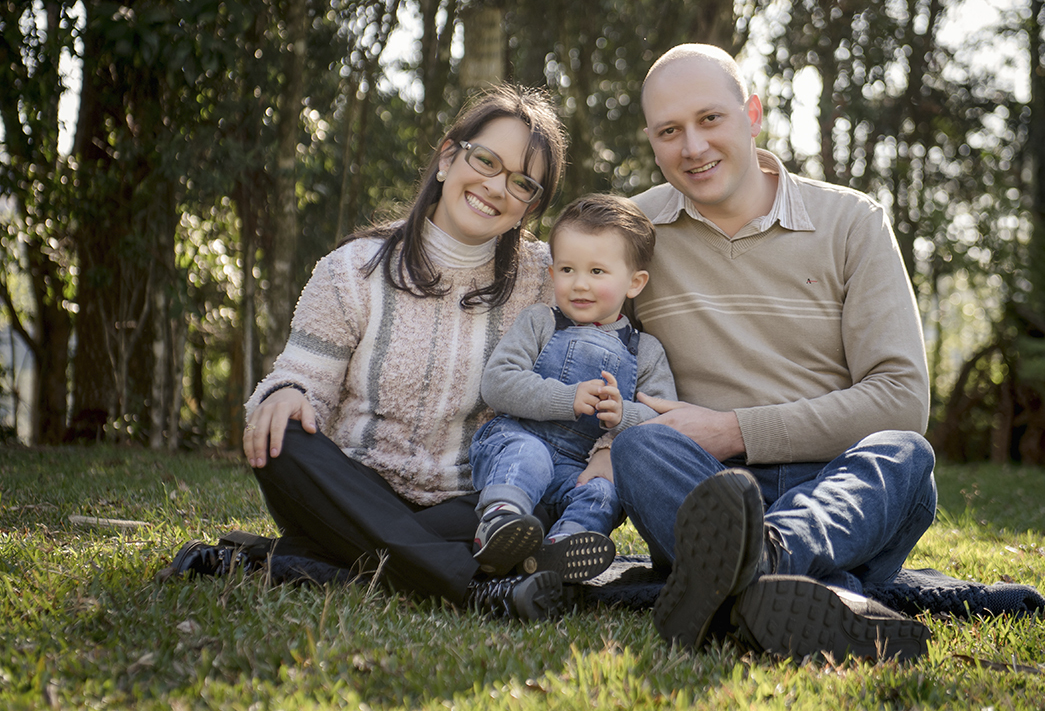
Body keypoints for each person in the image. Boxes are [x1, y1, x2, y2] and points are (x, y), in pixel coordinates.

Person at [163, 84, 573, 622]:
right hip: (352, 489)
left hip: (469, 504)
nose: (496, 186)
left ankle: (278, 562)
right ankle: (472, 585)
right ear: (448, 158)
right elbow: (301, 378)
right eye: (486, 161)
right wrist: (286, 393)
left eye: (521, 182)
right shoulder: (353, 269)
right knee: (283, 435)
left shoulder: (546, 281)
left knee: (535, 505)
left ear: (529, 207)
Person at [610, 44, 937, 661]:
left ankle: (760, 560)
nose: (693, 147)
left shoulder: (851, 221)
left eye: (711, 119)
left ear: (753, 113)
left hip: (837, 488)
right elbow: (570, 315)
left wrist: (734, 429)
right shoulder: (633, 232)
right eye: (669, 131)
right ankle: (811, 596)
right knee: (639, 448)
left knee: (904, 453)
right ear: (651, 141)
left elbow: (901, 399)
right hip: (706, 489)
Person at [469, 194, 676, 581]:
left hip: (578, 466)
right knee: (528, 455)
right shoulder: (540, 322)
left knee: (603, 491)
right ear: (552, 274)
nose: (580, 284)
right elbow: (497, 382)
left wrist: (623, 415)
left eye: (597, 271)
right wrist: (567, 398)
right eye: (567, 269)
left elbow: (663, 417)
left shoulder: (645, 350)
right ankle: (500, 524)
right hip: (518, 438)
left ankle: (565, 545)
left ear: (635, 282)